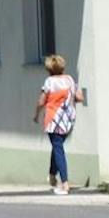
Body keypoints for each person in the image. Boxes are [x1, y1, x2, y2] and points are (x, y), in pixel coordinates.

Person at [33, 55, 82, 195]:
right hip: (68, 120)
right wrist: (67, 98)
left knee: (58, 148)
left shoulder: (49, 82)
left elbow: (41, 101)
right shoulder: (70, 79)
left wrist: (36, 115)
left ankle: (65, 184)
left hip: (53, 119)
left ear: (49, 69)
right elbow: (79, 97)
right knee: (57, 146)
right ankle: (52, 174)